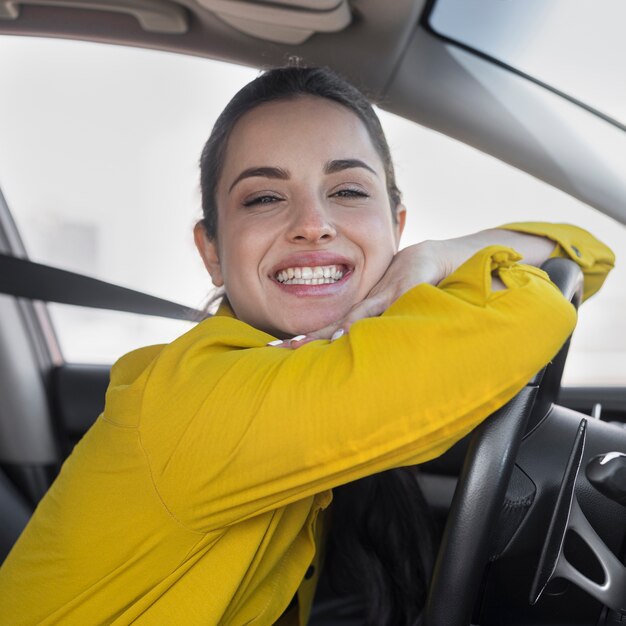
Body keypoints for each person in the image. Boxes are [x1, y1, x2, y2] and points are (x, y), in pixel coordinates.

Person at [0, 67, 615, 626]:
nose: (312, 222)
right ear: (211, 250)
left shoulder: (292, 373)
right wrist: (445, 257)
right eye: (265, 197)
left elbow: (586, 255)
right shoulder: (203, 399)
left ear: (395, 227)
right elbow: (531, 310)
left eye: (348, 191)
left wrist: (439, 255)